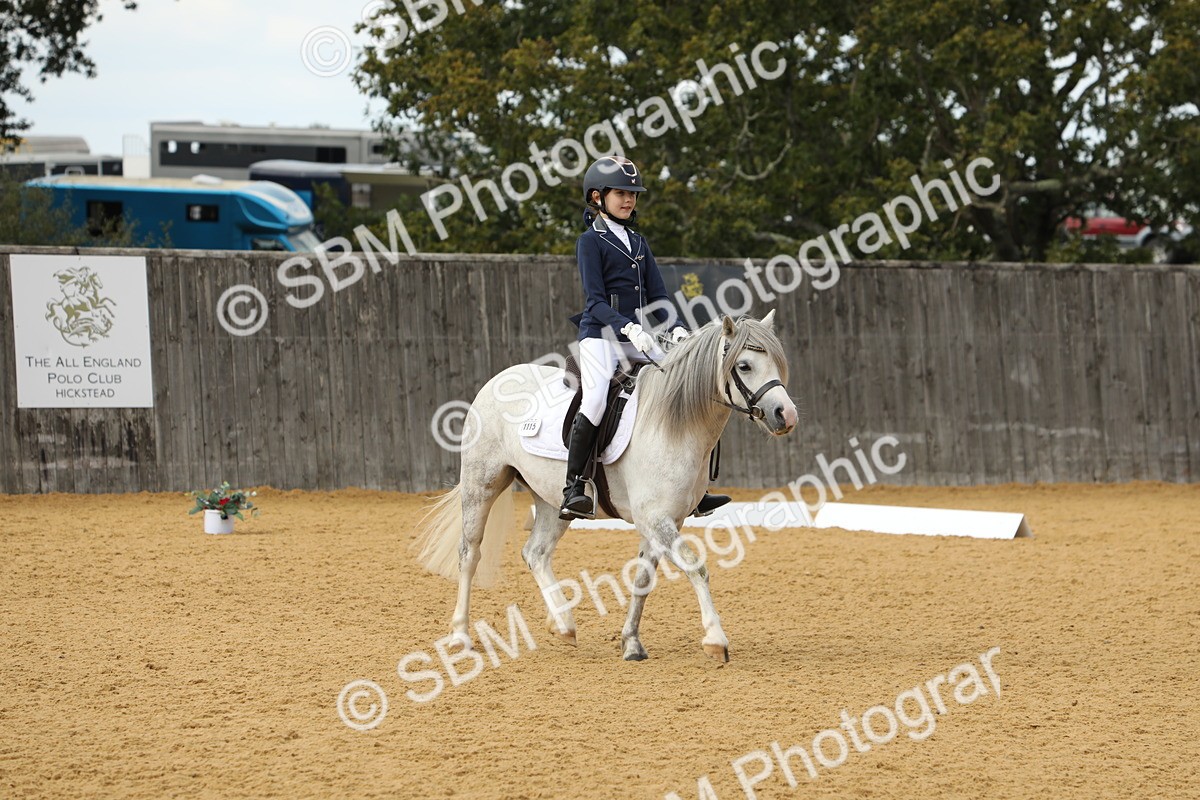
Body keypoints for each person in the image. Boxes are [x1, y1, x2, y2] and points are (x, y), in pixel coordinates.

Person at [560, 155, 730, 520]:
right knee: (594, 401)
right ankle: (574, 485)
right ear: (596, 197)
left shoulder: (638, 242)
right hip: (600, 336)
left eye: (633, 194)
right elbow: (595, 300)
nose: (629, 200)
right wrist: (627, 326)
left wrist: (676, 327)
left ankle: (694, 489)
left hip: (639, 337)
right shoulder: (590, 242)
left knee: (683, 389)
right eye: (621, 193)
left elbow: (659, 296)